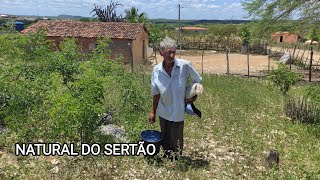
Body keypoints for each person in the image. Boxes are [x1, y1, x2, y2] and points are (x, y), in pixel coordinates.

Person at [149, 37, 202, 160]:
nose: (172, 55)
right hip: (163, 109)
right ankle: (167, 155)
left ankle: (176, 157)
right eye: (168, 52)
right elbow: (156, 93)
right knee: (165, 134)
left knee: (176, 136)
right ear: (161, 53)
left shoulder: (184, 65)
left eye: (174, 52)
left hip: (178, 109)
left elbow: (197, 81)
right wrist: (153, 111)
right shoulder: (157, 70)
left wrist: (193, 95)